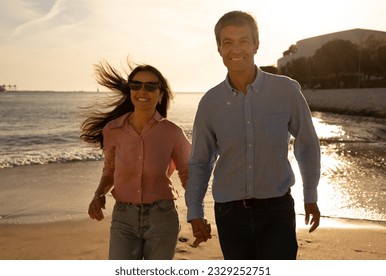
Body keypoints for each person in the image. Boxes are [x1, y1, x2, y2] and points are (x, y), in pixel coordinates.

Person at [185, 11, 321, 260]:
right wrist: (194, 210)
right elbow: (201, 161)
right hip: (229, 215)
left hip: (277, 211)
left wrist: (310, 194)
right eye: (228, 42)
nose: (236, 49)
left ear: (256, 44)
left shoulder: (286, 91)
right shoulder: (210, 102)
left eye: (243, 40)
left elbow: (307, 144)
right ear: (218, 48)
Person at [80, 60, 191, 260]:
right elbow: (110, 169)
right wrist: (99, 194)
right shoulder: (112, 130)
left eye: (150, 86)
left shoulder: (173, 132)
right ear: (130, 91)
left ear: (160, 94)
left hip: (162, 217)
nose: (142, 91)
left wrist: (197, 214)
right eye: (136, 85)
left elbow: (187, 174)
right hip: (124, 217)